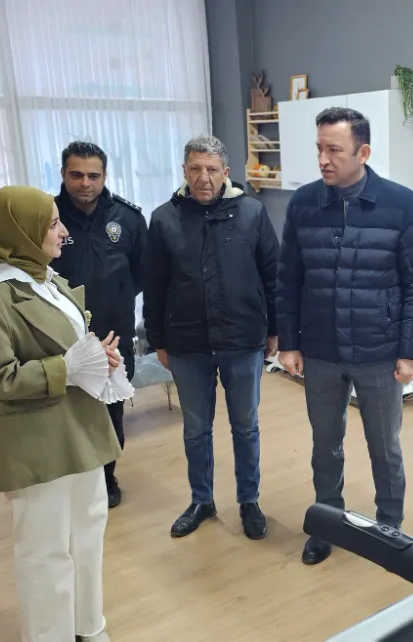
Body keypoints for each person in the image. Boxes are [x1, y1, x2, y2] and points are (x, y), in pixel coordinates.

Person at [0, 185, 133, 641]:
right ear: (19, 233)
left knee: (88, 533)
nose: (64, 231)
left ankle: (89, 625)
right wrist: (68, 368)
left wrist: (97, 359)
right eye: (52, 223)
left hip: (79, 430)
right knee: (45, 549)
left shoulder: (50, 282)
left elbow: (69, 349)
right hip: (35, 445)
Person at [277, 107, 413, 566]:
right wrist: (289, 342)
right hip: (321, 350)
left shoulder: (400, 204)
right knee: (325, 445)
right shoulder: (303, 203)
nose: (323, 159)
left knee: (384, 448)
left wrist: (411, 352)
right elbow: (288, 280)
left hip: (379, 351)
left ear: (363, 152)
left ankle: (389, 528)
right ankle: (327, 524)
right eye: (319, 149)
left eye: (334, 150)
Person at [143, 135, 280, 540]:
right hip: (187, 344)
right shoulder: (164, 219)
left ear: (226, 172)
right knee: (196, 429)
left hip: (243, 340)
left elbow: (272, 275)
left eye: (212, 169)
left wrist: (275, 329)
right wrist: (158, 340)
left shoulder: (252, 213)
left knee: (246, 426)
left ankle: (249, 500)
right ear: (184, 171)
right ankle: (201, 500)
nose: (204, 177)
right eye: (195, 169)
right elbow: (154, 285)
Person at [51, 141, 147, 509]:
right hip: (61, 338)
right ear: (63, 174)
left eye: (93, 176)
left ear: (104, 176)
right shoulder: (47, 217)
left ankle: (106, 479)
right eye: (76, 175)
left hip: (113, 335)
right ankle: (71, 481)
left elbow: (142, 274)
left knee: (110, 415)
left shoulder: (128, 218)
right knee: (66, 414)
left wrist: (115, 297)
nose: (85, 183)